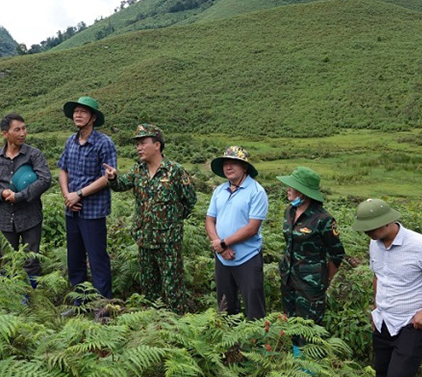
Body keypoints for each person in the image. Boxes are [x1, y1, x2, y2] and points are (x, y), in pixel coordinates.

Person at [352, 198, 422, 377]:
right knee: (382, 375)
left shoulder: (419, 246)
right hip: (384, 319)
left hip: (412, 323)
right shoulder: (374, 243)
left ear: (386, 221)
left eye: (371, 228)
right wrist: (376, 308)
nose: (368, 233)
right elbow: (379, 275)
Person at [105, 124, 196, 314]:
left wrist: (173, 221)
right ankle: (153, 327)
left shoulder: (175, 171)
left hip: (168, 242)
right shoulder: (138, 170)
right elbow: (121, 185)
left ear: (157, 145)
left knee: (173, 288)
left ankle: (177, 326)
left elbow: (189, 200)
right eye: (137, 144)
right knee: (149, 289)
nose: (138, 148)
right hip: (145, 240)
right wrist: (113, 178)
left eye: (142, 143)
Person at [276, 167, 345, 354]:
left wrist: (324, 279)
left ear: (304, 192)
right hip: (288, 278)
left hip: (311, 283)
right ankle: (296, 363)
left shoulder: (323, 219)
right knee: (292, 323)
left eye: (292, 186)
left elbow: (337, 253)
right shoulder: (289, 212)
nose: (287, 189)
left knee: (309, 328)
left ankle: (309, 370)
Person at [58, 96, 117, 301]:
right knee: (74, 259)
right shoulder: (71, 141)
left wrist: (79, 194)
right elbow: (62, 170)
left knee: (97, 259)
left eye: (83, 112)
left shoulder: (104, 143)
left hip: (93, 211)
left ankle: (103, 308)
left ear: (92, 117)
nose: (78, 115)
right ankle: (79, 304)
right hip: (71, 209)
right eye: (76, 111)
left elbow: (106, 178)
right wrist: (67, 195)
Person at [0, 113, 52, 287]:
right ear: (5, 134)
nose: (22, 133)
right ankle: (10, 297)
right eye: (17, 130)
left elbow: (45, 180)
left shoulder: (34, 155)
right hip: (4, 218)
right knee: (8, 260)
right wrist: (1, 194)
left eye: (24, 128)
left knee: (31, 261)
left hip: (30, 217)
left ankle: (31, 299)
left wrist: (20, 196)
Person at [205, 146, 268, 321]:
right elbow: (210, 220)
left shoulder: (257, 192)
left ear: (245, 167)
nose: (229, 167)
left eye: (234, 163)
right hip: (222, 257)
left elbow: (252, 227)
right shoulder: (219, 191)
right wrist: (220, 245)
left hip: (248, 257)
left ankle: (256, 344)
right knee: (225, 305)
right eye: (226, 163)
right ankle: (229, 345)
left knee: (253, 305)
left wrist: (224, 243)